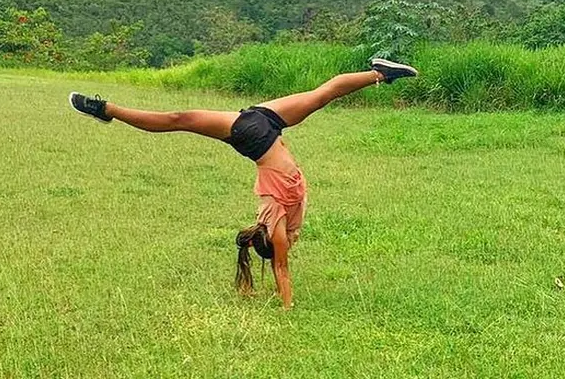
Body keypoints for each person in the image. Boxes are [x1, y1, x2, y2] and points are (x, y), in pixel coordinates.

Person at [68, 57, 418, 309]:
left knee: (177, 119)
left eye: (282, 244)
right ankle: (380, 73)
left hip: (253, 134)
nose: (287, 246)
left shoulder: (275, 218)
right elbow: (282, 254)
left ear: (271, 239)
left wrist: (287, 304)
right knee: (321, 94)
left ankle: (106, 109)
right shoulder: (285, 218)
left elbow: (281, 267)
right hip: (264, 126)